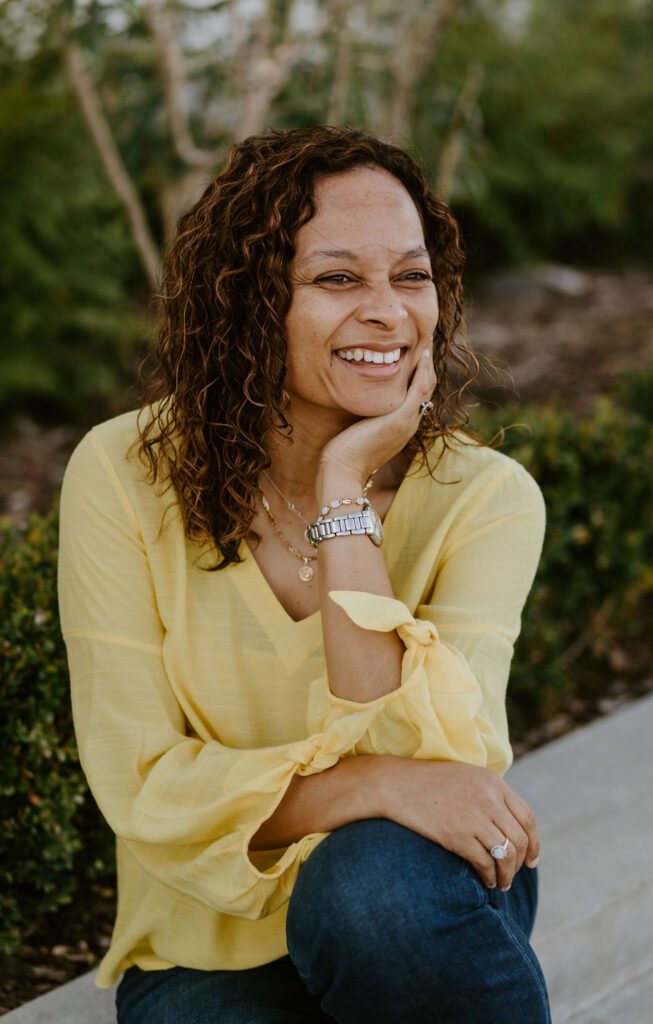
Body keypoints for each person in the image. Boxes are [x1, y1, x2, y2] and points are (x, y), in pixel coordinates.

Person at [57, 125, 552, 1024]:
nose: (389, 313)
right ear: (252, 303)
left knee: (372, 892)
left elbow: (431, 776)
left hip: (413, 895)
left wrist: (341, 486)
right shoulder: (120, 474)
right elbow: (139, 779)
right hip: (208, 940)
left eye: (410, 276)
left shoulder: (488, 499)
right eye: (337, 279)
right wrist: (366, 785)